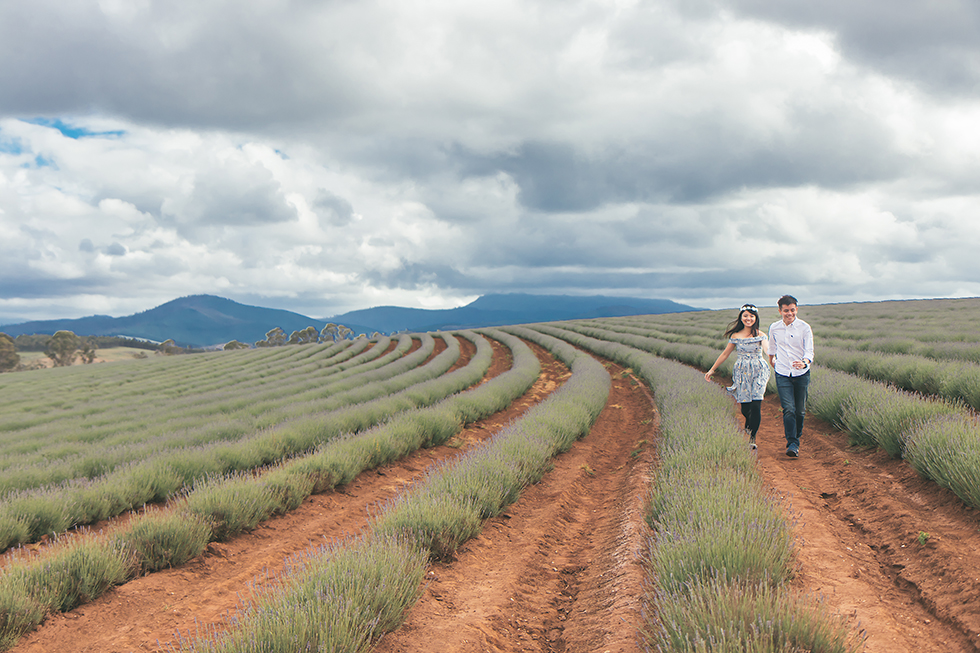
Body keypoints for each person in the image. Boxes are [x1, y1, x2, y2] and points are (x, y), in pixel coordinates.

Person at [704, 303, 771, 450]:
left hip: (759, 369)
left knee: (756, 403)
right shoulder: (735, 336)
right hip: (742, 371)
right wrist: (712, 370)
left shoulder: (761, 335)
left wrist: (774, 359)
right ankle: (749, 425)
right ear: (741, 317)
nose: (748, 319)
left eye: (751, 316)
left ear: (756, 318)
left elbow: (767, 349)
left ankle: (752, 438)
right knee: (745, 408)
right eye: (745, 316)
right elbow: (725, 354)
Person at [768, 295, 814, 458]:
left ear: (796, 309)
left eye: (792, 310)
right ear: (780, 311)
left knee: (800, 411)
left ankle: (796, 436)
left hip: (801, 373)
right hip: (782, 373)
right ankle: (792, 443)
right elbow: (772, 348)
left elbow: (809, 350)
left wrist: (805, 362)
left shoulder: (804, 327)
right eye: (786, 310)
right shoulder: (774, 327)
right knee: (789, 409)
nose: (789, 313)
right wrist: (772, 361)